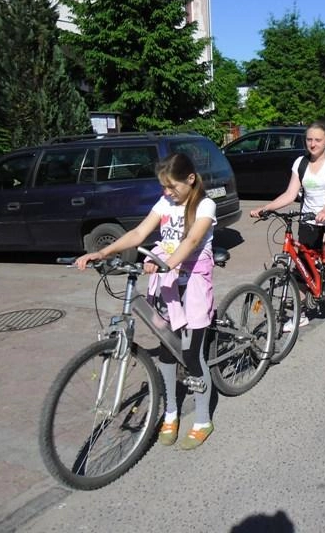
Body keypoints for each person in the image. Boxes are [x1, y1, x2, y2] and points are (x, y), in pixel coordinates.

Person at [75, 153, 217, 450]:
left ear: (191, 179)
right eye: (163, 186)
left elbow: (191, 240)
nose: (167, 192)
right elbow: (139, 232)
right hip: (167, 286)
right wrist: (103, 252)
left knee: (192, 354)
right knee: (167, 351)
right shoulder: (165, 203)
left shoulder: (205, 205)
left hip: (192, 285)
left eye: (172, 186)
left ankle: (203, 419)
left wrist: (169, 264)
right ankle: (171, 413)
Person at [250, 122, 325, 345]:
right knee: (301, 268)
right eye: (309, 139)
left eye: (318, 140)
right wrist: (266, 208)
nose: (313, 144)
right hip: (308, 218)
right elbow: (290, 194)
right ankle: (303, 313)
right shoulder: (300, 163)